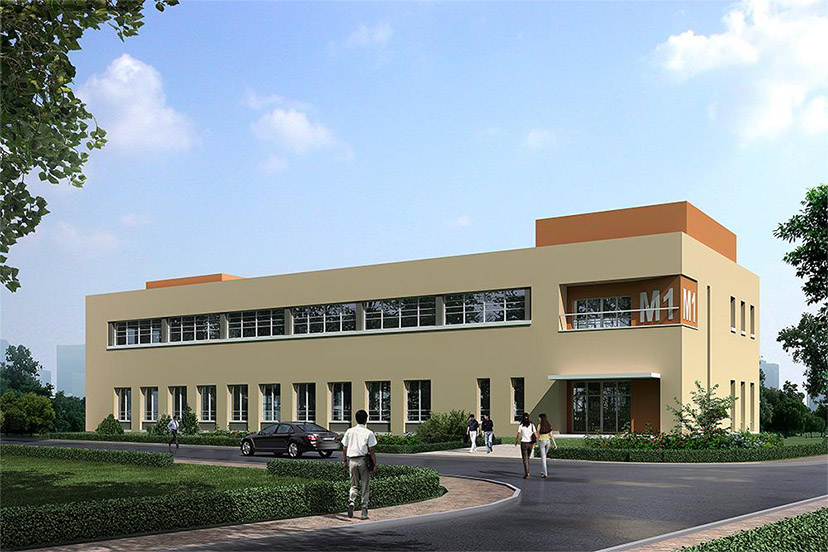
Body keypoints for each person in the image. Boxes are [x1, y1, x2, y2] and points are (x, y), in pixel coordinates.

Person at [341, 409, 378, 520]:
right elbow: (371, 450)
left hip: (352, 460)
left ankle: (352, 501)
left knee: (353, 485)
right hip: (363, 460)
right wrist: (375, 464)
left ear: (356, 419)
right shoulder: (369, 433)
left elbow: (344, 448)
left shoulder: (349, 431)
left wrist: (345, 461)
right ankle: (364, 512)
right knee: (365, 486)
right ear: (366, 420)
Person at [536, 413, 558, 478]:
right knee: (544, 456)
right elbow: (551, 435)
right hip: (548, 442)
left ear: (541, 418)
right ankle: (543, 471)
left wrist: (535, 443)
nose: (539, 419)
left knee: (543, 458)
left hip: (542, 442)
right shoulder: (549, 425)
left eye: (539, 418)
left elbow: (538, 435)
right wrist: (555, 444)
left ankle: (545, 473)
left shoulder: (539, 426)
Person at [514, 412, 536, 478]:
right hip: (530, 443)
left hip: (524, 443)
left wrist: (516, 441)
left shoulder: (521, 425)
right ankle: (528, 471)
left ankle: (527, 473)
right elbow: (535, 434)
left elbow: (518, 434)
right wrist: (534, 443)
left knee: (525, 459)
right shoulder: (532, 425)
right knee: (528, 458)